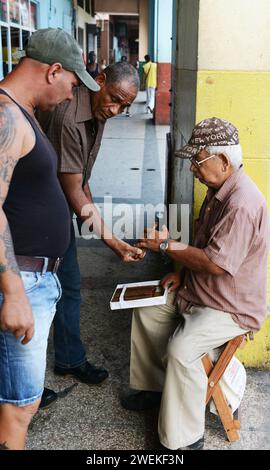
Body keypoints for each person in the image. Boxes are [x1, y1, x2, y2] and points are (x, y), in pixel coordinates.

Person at [121, 117, 270, 450]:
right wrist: (183, 274)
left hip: (230, 307)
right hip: (201, 291)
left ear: (224, 162)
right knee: (148, 312)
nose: (193, 169)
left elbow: (216, 264)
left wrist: (165, 246)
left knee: (182, 350)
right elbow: (205, 247)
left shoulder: (242, 204)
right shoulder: (219, 189)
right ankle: (157, 390)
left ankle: (184, 439)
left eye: (197, 161)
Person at [0, 28, 99, 450]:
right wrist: (15, 293)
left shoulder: (21, 113)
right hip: (22, 280)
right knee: (19, 407)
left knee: (19, 402)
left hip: (36, 277)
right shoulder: (5, 116)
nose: (71, 95)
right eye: (73, 85)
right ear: (53, 70)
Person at [37, 62, 145, 409]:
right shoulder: (70, 117)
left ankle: (69, 359)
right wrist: (112, 241)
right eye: (114, 99)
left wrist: (93, 218)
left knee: (69, 288)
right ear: (99, 82)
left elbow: (80, 179)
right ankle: (21, 385)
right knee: (34, 300)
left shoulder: (95, 113)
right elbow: (72, 189)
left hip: (58, 212)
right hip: (34, 218)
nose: (116, 110)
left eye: (125, 106)